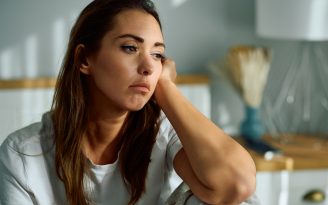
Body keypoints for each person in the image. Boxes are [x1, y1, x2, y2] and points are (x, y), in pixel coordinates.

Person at [0, 0, 256, 204]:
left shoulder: (162, 134)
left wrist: (166, 89)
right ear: (84, 59)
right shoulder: (22, 155)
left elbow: (237, 186)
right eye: (130, 48)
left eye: (158, 55)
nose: (148, 67)